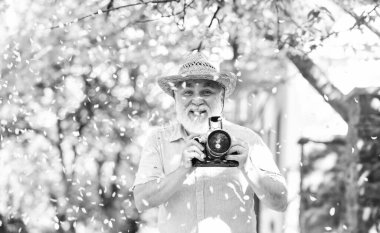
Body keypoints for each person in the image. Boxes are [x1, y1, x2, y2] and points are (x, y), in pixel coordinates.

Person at [132, 52, 288, 233]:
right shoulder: (159, 140)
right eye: (187, 92)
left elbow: (281, 202)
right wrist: (182, 170)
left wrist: (248, 168)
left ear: (221, 98)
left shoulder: (247, 140)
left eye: (206, 92)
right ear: (175, 98)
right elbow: (141, 201)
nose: (197, 100)